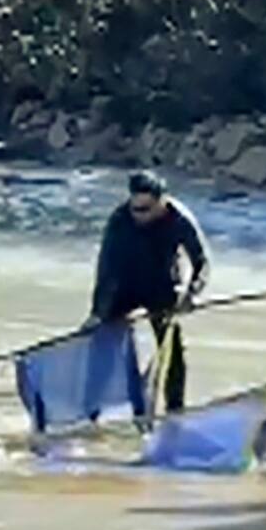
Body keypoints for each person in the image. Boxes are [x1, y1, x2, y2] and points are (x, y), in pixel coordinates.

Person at [86, 170, 210, 413]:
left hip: (161, 287)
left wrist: (192, 294)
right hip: (125, 286)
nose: (138, 216)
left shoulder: (179, 219)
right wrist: (98, 313)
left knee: (172, 350)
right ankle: (93, 410)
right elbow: (107, 270)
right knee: (101, 346)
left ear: (162, 202)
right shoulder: (120, 220)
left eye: (145, 210)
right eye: (135, 209)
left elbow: (202, 261)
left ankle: (175, 411)